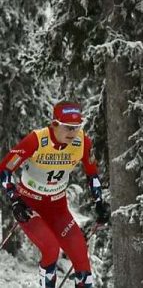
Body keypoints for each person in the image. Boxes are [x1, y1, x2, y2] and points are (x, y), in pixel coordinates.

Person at [0, 101, 110, 288]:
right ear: (54, 124)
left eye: (77, 127)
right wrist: (15, 200)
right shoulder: (36, 140)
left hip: (58, 209)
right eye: (68, 127)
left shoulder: (82, 142)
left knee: (80, 254)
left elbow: (92, 174)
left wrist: (99, 202)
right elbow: (4, 170)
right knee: (51, 249)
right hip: (29, 206)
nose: (73, 133)